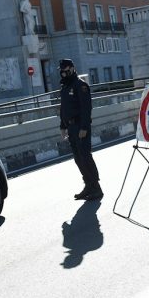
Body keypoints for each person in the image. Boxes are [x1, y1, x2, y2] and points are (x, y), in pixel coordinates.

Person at [59, 58, 103, 201]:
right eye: (62, 70)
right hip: (71, 127)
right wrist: (62, 126)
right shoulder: (65, 86)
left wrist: (84, 127)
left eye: (66, 69)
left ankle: (96, 187)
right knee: (78, 158)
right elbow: (63, 108)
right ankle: (88, 185)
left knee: (85, 156)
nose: (63, 72)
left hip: (80, 126)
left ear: (72, 68)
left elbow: (86, 108)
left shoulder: (80, 85)